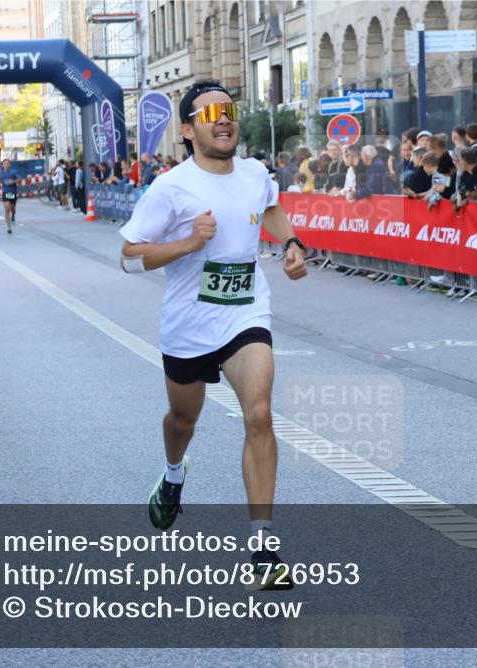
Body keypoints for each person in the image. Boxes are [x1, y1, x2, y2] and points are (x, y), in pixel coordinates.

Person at [119, 80, 307, 588]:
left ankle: (264, 550)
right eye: (211, 113)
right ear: (187, 129)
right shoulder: (171, 187)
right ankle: (174, 476)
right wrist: (186, 242)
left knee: (260, 413)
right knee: (183, 420)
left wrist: (290, 241)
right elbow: (129, 258)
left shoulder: (254, 173)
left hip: (245, 314)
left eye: (230, 111)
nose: (224, 120)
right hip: (189, 325)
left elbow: (268, 206)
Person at [0, 157, 20, 234]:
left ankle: (13, 215)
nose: (6, 165)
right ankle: (9, 227)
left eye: (8, 163)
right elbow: (0, 180)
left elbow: (19, 179)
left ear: (10, 165)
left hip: (13, 192)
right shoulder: (1, 172)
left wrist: (13, 181)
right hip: (5, 192)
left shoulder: (13, 172)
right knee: (7, 209)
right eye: (5, 163)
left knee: (12, 209)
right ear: (2, 165)